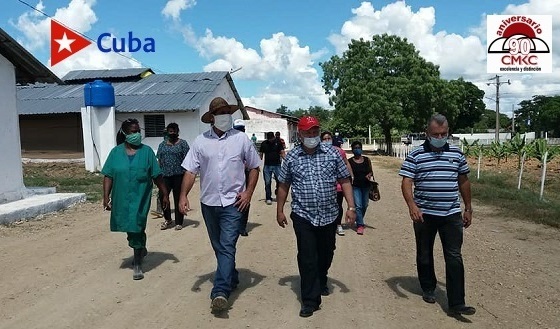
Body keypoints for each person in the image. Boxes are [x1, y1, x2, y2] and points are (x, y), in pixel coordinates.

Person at [178, 97, 260, 313]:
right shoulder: (200, 142)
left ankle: (220, 292)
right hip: (209, 203)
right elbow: (189, 171)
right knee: (219, 246)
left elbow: (254, 167)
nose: (225, 116)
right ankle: (231, 277)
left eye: (227, 112)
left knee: (226, 245)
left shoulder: (242, 140)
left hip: (234, 204)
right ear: (212, 118)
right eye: (220, 113)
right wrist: (183, 196)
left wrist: (249, 192)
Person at [276, 116, 356, 318]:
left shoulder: (332, 153)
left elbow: (345, 180)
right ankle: (310, 301)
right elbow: (283, 184)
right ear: (300, 134)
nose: (312, 136)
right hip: (303, 215)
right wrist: (279, 210)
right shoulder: (292, 157)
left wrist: (351, 207)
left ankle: (322, 277)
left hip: (329, 214)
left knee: (326, 251)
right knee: (307, 256)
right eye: (308, 132)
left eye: (315, 132)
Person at [399, 113, 476, 316]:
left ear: (448, 132)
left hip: (451, 214)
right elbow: (407, 181)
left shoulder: (457, 154)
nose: (440, 137)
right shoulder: (416, 155)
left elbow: (463, 181)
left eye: (444, 134)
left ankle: (457, 302)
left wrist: (467, 207)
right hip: (424, 215)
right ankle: (428, 287)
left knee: (454, 256)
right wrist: (412, 205)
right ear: (427, 133)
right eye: (436, 134)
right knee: (424, 253)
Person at [102, 118, 169, 280]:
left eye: (138, 131)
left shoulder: (147, 152)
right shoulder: (115, 152)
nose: (137, 134)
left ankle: (137, 263)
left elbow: (157, 175)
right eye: (133, 132)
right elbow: (108, 175)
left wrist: (165, 194)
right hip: (121, 197)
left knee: (136, 225)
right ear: (125, 133)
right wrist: (105, 196)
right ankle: (140, 247)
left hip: (140, 196)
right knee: (128, 226)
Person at [157, 122, 190, 231]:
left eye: (174, 131)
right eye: (170, 131)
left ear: (177, 132)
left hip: (179, 176)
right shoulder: (162, 145)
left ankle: (179, 222)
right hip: (165, 176)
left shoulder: (183, 144)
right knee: (163, 197)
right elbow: (159, 160)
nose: (172, 133)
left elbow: (188, 160)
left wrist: (187, 174)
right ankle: (168, 219)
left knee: (178, 198)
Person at [321, 131, 354, 236]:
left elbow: (346, 163)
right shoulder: (318, 152)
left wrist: (351, 176)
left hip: (338, 186)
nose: (327, 141)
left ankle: (338, 225)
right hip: (326, 186)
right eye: (325, 139)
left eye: (329, 138)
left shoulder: (339, 151)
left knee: (338, 205)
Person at [348, 140, 374, 235]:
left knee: (365, 205)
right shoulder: (350, 162)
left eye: (359, 148)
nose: (357, 150)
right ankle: (360, 225)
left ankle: (359, 218)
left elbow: (370, 171)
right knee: (358, 206)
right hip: (355, 187)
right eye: (355, 148)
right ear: (352, 150)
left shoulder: (367, 160)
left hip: (366, 186)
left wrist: (369, 175)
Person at [233, 119, 251, 236]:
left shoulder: (248, 142)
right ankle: (233, 224)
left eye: (242, 129)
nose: (240, 132)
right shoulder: (228, 142)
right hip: (233, 175)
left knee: (245, 199)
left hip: (246, 173)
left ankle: (242, 226)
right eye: (237, 129)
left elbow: (253, 162)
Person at [259, 131, 285, 205]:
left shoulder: (278, 142)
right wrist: (257, 164)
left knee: (280, 181)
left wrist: (286, 160)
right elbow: (261, 154)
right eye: (269, 139)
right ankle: (268, 198)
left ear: (274, 137)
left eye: (272, 138)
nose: (271, 140)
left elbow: (282, 152)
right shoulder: (264, 144)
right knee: (267, 182)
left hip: (277, 165)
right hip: (267, 166)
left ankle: (278, 193)